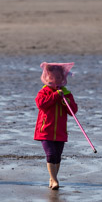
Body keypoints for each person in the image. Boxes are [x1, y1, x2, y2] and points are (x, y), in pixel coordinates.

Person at [34, 62, 78, 190]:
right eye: (51, 78)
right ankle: (54, 179)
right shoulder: (44, 92)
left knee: (57, 157)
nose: (55, 80)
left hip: (60, 131)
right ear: (46, 78)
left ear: (63, 78)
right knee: (51, 154)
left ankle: (52, 178)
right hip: (45, 130)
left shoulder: (66, 93)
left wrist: (66, 101)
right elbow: (41, 104)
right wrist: (54, 96)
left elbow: (73, 111)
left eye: (58, 78)